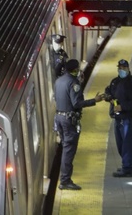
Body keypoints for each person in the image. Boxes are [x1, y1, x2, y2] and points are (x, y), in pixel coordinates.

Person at [54, 58, 105, 190]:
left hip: (59, 118)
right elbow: (76, 103)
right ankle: (65, 181)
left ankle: (64, 178)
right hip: (69, 120)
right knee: (68, 150)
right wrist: (95, 100)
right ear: (75, 70)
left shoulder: (59, 80)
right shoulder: (73, 83)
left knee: (66, 148)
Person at [104, 59, 132, 177]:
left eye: (123, 68)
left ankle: (127, 168)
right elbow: (108, 91)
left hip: (128, 118)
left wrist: (122, 107)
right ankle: (128, 165)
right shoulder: (115, 81)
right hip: (118, 118)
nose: (121, 70)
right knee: (120, 143)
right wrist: (108, 97)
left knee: (127, 143)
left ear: (128, 68)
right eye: (120, 68)